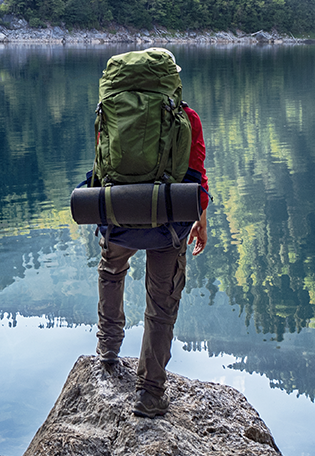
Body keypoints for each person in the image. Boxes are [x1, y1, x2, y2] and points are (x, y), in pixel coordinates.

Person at [94, 52, 210, 419]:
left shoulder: (109, 114)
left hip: (117, 218)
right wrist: (201, 219)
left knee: (111, 270)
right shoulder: (186, 118)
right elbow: (197, 176)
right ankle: (149, 391)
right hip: (167, 223)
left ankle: (108, 349)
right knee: (161, 303)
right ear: (169, 81)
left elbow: (101, 164)